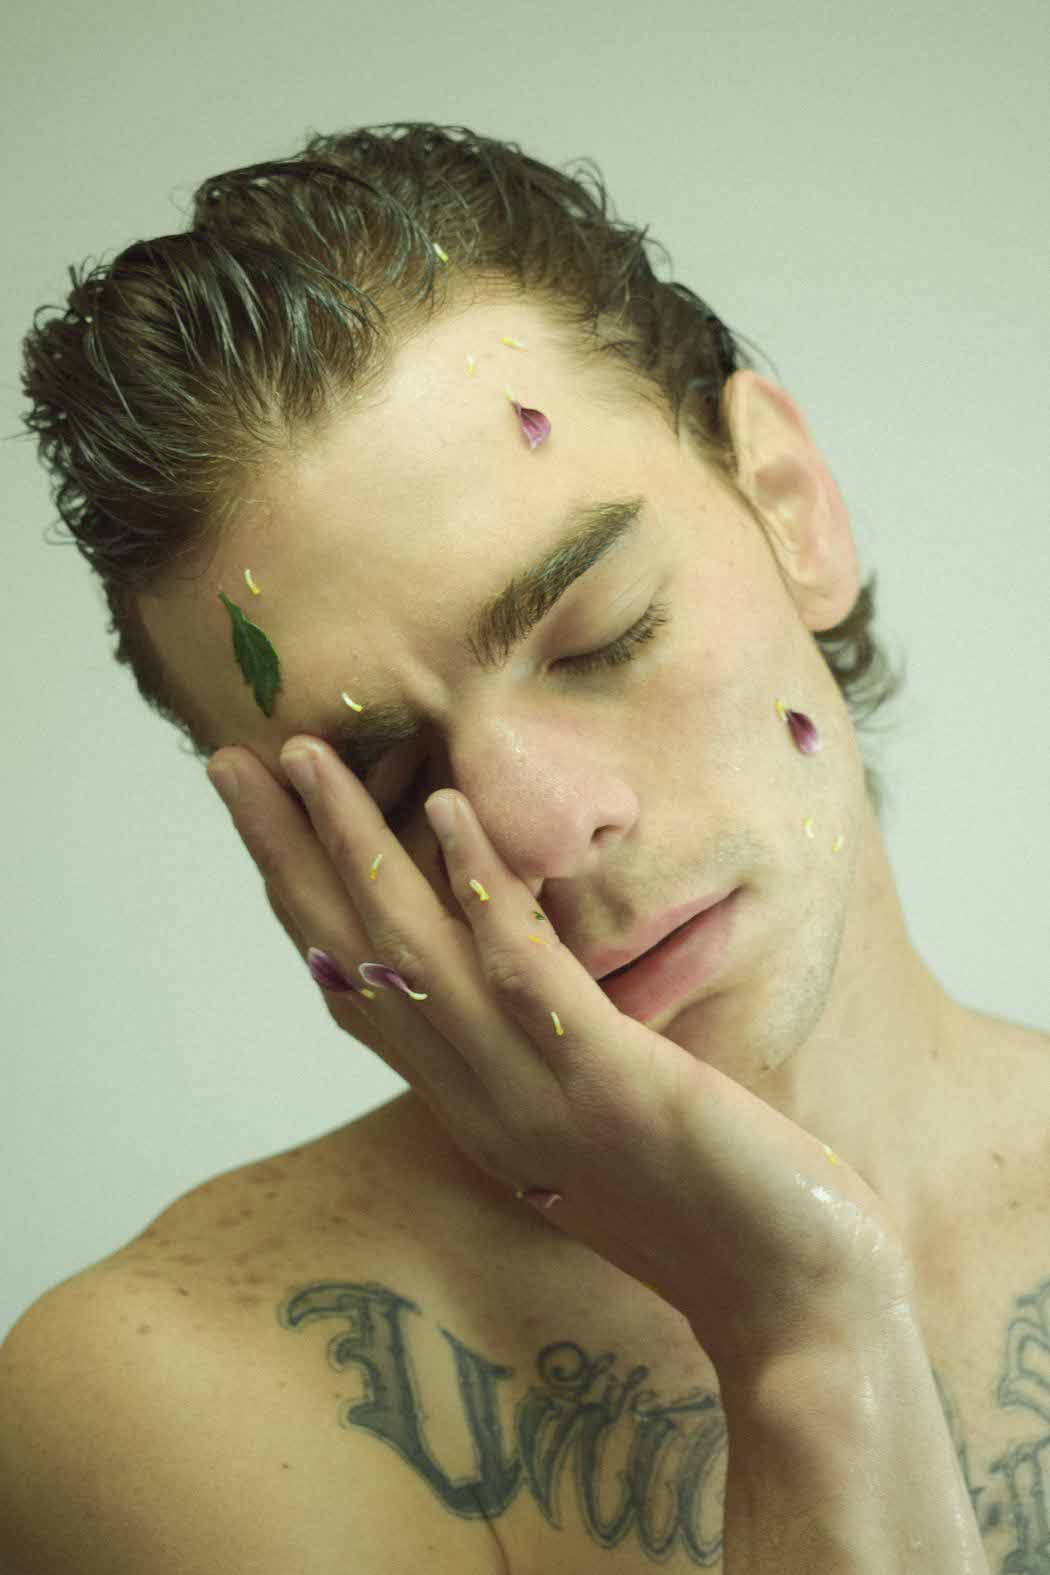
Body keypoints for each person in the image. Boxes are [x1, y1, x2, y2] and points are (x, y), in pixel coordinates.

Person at [3, 120, 1041, 1573]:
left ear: (790, 511)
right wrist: (804, 1339)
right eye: (386, 774)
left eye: (600, 635)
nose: (545, 833)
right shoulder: (170, 1399)